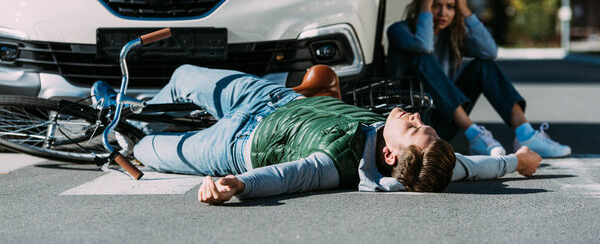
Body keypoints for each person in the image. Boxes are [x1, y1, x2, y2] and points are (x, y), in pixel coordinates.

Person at [94, 64, 542, 205]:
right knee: (184, 75)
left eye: (413, 128)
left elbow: (292, 176)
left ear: (388, 156)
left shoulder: (337, 164)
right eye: (421, 124)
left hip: (234, 145)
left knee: (145, 148)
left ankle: (121, 128)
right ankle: (138, 107)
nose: (414, 117)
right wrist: (518, 162)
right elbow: (471, 167)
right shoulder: (431, 160)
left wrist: (237, 185)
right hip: (271, 98)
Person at [386, 0, 571, 158]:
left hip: (444, 123)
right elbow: (424, 46)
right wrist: (425, 4)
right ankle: (475, 135)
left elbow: (490, 51)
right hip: (414, 126)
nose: (443, 12)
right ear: (424, 4)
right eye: (436, 5)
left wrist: (464, 8)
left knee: (483, 65)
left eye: (450, 6)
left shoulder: (451, 37)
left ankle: (526, 134)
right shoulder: (399, 30)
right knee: (424, 59)